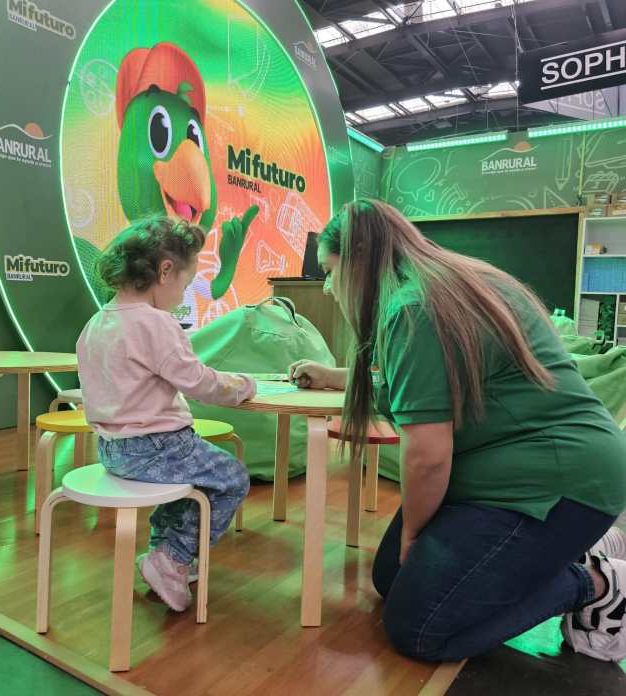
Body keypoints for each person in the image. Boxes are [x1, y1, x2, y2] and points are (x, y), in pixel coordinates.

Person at [289, 199, 626, 663]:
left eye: (329, 271)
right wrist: (334, 375)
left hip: (557, 482)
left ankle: (595, 582)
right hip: (507, 475)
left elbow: (427, 457)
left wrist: (413, 534)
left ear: (361, 260)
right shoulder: (445, 285)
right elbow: (416, 383)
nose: (327, 287)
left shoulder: (411, 309)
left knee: (420, 629)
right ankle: (565, 548)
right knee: (391, 578)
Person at [77, 214, 255, 613]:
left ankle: (161, 552)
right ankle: (172, 559)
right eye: (186, 284)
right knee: (232, 479)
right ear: (165, 270)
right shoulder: (156, 323)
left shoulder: (96, 323)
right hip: (160, 446)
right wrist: (245, 386)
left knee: (191, 484)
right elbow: (201, 384)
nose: (183, 294)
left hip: (112, 450)